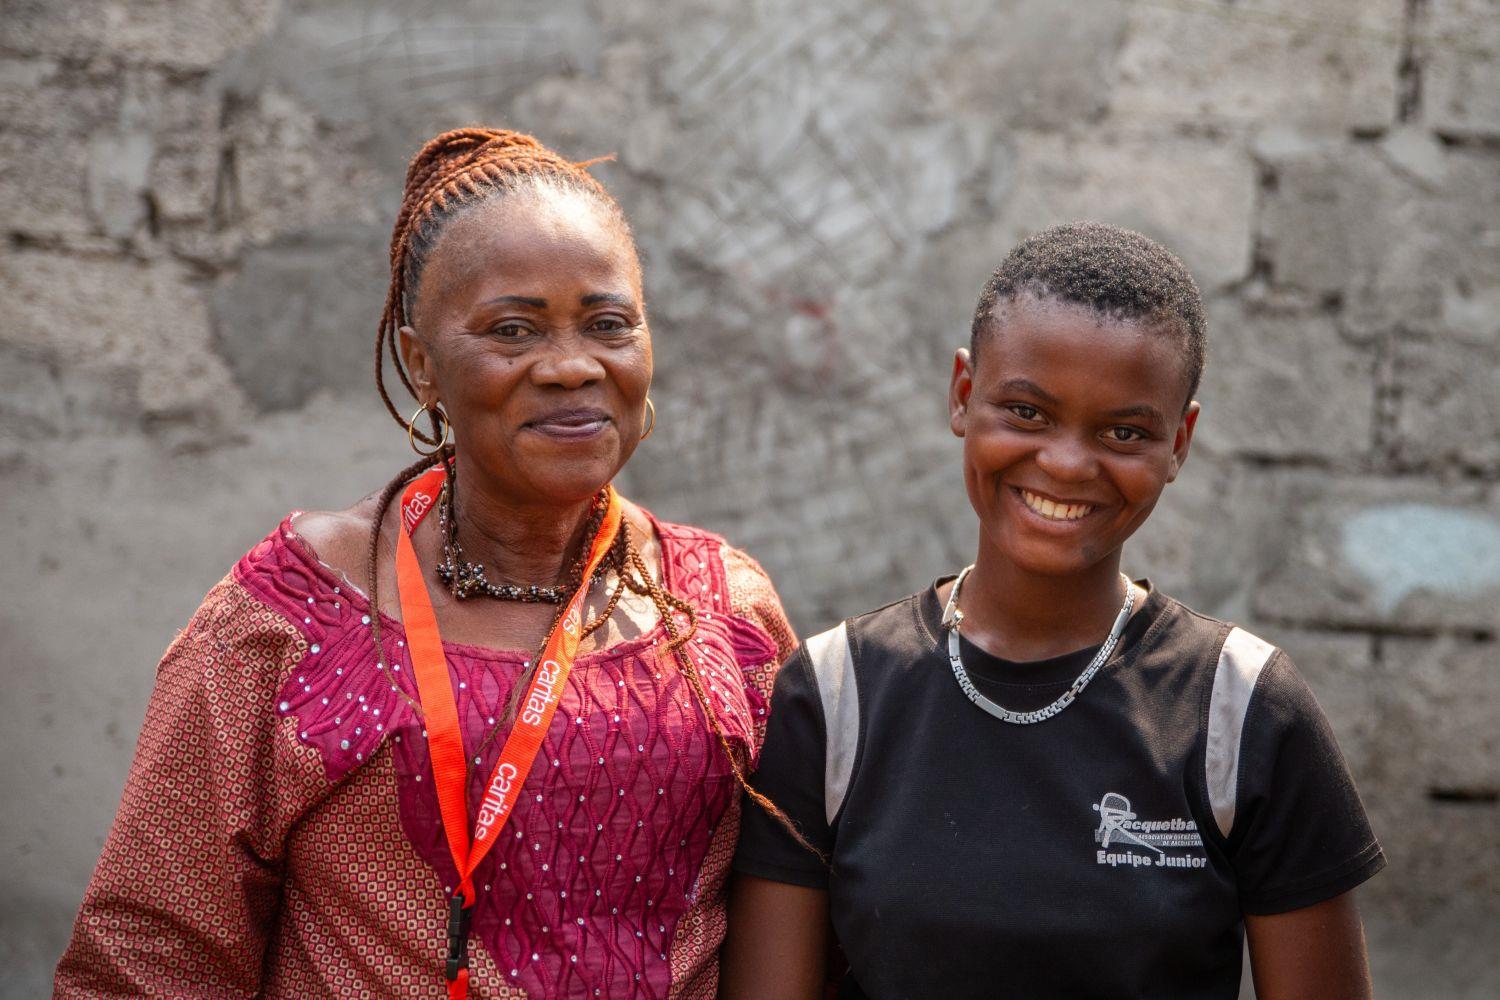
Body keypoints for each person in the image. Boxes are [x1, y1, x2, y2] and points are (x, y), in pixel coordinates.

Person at [55, 127, 799, 999]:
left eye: (608, 324)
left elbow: (790, 923)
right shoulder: (288, 623)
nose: (570, 367)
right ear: (422, 366)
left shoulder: (724, 616)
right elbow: (150, 956)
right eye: (512, 331)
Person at [723, 222, 1385, 1000]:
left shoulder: (1242, 711)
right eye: (1028, 413)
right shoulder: (837, 696)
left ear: (1181, 441)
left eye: (1124, 431)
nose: (1067, 463)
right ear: (964, 394)